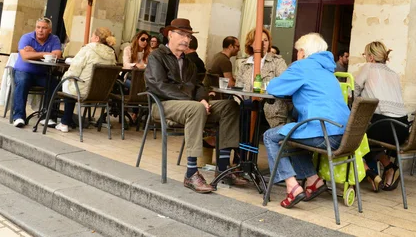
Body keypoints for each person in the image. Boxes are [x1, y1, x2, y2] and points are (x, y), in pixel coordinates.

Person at [145, 18, 246, 193]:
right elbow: (159, 86)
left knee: (230, 106)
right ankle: (191, 173)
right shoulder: (157, 56)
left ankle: (222, 169)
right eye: (182, 34)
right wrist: (194, 101)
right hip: (162, 105)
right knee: (196, 108)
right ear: (170, 34)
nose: (186, 39)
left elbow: (199, 86)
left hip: (189, 106)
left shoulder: (189, 63)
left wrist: (203, 98)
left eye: (189, 36)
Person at [263, 33, 349, 209]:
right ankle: (313, 180)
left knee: (270, 137)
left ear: (302, 52)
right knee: (294, 138)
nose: (296, 55)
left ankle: (292, 187)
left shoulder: (302, 66)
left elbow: (274, 88)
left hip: (324, 132)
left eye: (297, 52)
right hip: (344, 135)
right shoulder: (328, 70)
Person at [354, 41, 408, 192]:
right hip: (402, 128)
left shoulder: (368, 67)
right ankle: (388, 166)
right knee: (365, 133)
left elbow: (353, 92)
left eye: (365, 55)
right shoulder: (394, 73)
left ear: (371, 57)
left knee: (354, 135)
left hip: (383, 126)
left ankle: (370, 171)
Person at [55, 28, 117, 133]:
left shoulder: (88, 49)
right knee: (70, 84)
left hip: (82, 90)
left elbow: (75, 70)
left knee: (65, 82)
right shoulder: (112, 54)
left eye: (92, 36)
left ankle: (63, 122)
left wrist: (65, 77)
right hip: (101, 93)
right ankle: (68, 121)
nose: (91, 38)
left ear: (97, 38)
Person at [12, 18, 62, 128]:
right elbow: (25, 56)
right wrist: (44, 54)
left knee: (54, 84)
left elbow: (57, 55)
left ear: (49, 30)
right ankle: (19, 116)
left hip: (42, 73)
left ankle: (47, 116)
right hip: (23, 71)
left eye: (44, 28)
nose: (40, 30)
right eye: (38, 27)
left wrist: (35, 52)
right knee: (23, 82)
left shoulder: (54, 39)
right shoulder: (26, 37)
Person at [236, 28, 288, 127]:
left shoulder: (277, 61)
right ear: (251, 43)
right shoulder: (245, 64)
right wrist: (239, 104)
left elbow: (283, 83)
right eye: (259, 40)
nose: (263, 43)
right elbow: (238, 87)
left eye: (265, 40)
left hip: (271, 107)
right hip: (246, 108)